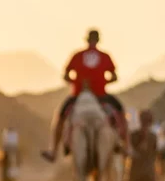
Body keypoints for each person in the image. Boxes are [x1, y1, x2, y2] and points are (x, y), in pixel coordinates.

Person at [41, 30, 128, 162]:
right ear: (98, 40)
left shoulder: (77, 56)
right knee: (120, 112)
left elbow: (66, 75)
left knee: (60, 116)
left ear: (86, 40)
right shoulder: (105, 56)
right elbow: (114, 77)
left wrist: (76, 82)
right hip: (101, 96)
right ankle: (125, 145)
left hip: (78, 95)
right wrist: (103, 82)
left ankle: (53, 150)